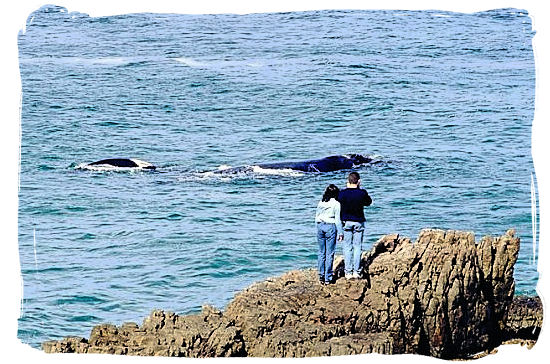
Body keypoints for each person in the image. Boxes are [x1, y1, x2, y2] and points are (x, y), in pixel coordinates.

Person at [338, 172, 372, 279]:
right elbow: (368, 202)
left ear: (348, 181)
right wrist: (359, 188)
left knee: (347, 247)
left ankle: (348, 272)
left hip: (346, 222)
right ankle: (356, 271)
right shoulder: (362, 193)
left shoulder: (342, 193)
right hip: (358, 221)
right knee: (357, 247)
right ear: (359, 181)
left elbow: (337, 203)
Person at [315, 184, 344, 285]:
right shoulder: (336, 204)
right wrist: (341, 233)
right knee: (330, 253)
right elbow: (337, 220)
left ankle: (321, 275)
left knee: (321, 252)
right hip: (330, 226)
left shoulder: (321, 202)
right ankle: (328, 277)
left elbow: (317, 216)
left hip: (320, 225)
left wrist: (318, 226)